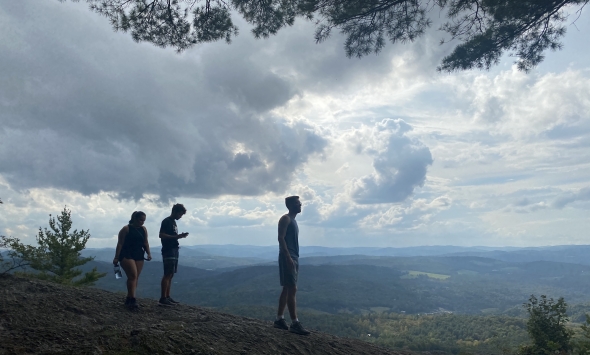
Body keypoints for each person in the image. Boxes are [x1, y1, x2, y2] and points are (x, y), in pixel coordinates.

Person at [273, 196, 310, 335]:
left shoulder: (292, 220)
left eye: (299, 202)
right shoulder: (286, 219)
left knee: (287, 288)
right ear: (290, 205)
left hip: (293, 257)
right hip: (288, 257)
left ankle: (279, 319)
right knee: (292, 288)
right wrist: (288, 257)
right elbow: (280, 238)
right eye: (297, 203)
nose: (300, 204)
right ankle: (294, 323)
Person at [113, 211, 152, 310]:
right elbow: (120, 243)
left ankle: (129, 298)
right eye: (140, 219)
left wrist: (148, 253)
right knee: (133, 276)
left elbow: (145, 242)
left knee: (135, 277)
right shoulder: (126, 229)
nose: (142, 222)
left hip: (139, 254)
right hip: (126, 254)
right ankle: (132, 299)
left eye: (143, 220)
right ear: (134, 218)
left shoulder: (144, 229)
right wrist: (116, 257)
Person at [158, 203, 188, 306]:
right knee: (167, 273)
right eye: (180, 214)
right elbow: (161, 235)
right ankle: (163, 297)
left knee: (171, 274)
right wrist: (177, 237)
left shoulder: (173, 222)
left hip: (174, 249)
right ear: (175, 211)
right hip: (168, 249)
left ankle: (167, 296)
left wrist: (179, 236)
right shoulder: (167, 221)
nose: (180, 216)